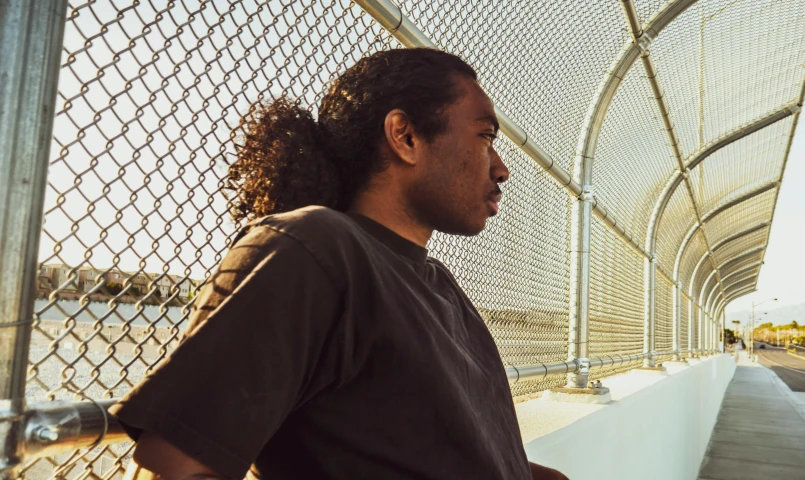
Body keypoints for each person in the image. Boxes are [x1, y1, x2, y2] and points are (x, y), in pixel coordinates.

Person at [111, 48, 568, 480]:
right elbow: (172, 466)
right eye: (485, 136)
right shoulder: (314, 249)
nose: (501, 167)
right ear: (406, 137)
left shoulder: (439, 286)